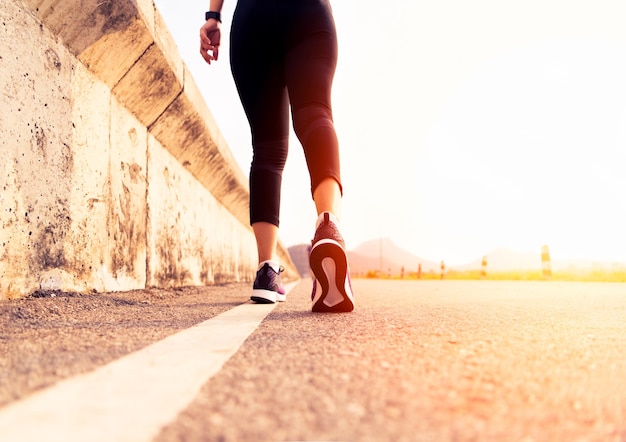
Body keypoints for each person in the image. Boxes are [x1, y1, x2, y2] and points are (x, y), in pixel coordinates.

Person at [200, 0, 354, 312]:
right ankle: (328, 224)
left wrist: (213, 17)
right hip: (308, 12)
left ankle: (267, 272)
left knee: (267, 148)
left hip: (252, 17)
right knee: (316, 115)